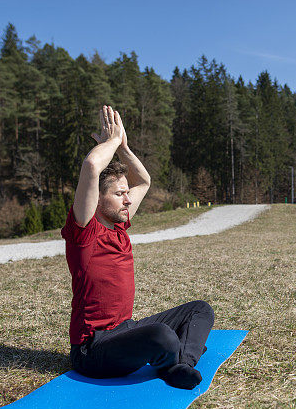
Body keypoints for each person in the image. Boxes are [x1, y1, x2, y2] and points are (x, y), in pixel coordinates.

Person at [61, 105, 214, 389]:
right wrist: (112, 141)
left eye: (126, 193)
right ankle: (177, 354)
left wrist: (124, 148)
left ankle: (181, 364)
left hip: (125, 331)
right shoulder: (84, 232)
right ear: (96, 199)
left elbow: (144, 180)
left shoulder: (119, 225)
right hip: (92, 350)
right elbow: (92, 167)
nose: (128, 199)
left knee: (200, 310)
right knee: (162, 335)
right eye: (120, 194)